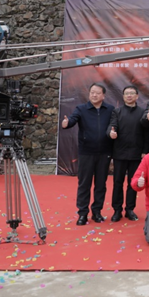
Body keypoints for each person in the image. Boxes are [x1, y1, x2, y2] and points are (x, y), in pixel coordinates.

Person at [62, 82, 113, 225]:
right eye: (92, 92)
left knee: (101, 184)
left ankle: (97, 212)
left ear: (103, 95)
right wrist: (67, 123)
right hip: (86, 152)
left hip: (104, 152)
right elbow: (72, 119)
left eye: (97, 93)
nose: (94, 95)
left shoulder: (110, 109)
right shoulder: (81, 109)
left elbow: (115, 125)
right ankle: (82, 214)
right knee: (84, 184)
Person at [107, 84, 148, 222]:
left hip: (136, 153)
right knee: (117, 182)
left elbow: (147, 134)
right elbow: (112, 126)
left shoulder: (142, 112)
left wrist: (144, 151)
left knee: (133, 183)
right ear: (123, 96)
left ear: (137, 96)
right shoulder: (117, 111)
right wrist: (111, 133)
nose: (129, 96)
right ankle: (117, 210)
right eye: (126, 93)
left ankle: (130, 209)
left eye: (132, 93)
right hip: (120, 152)